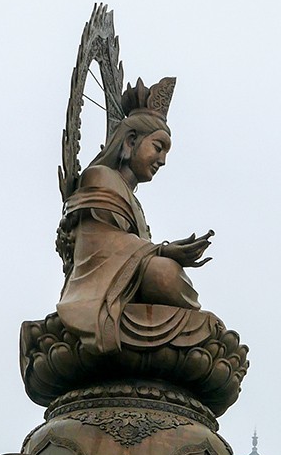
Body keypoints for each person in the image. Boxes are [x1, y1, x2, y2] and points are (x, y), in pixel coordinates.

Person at [56, 92, 213, 355]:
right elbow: (101, 243)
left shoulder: (133, 200)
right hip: (98, 282)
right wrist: (161, 251)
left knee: (169, 274)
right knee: (166, 275)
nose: (162, 160)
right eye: (158, 147)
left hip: (129, 279)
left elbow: (132, 250)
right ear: (130, 142)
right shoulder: (99, 176)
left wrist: (160, 253)